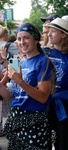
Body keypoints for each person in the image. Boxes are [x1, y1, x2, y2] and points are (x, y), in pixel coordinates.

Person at [0, 23, 56, 149]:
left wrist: (20, 82)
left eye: (26, 38)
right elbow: (10, 97)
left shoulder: (43, 61)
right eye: (19, 38)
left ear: (36, 39)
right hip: (16, 120)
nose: (22, 42)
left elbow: (43, 97)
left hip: (35, 122)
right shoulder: (19, 62)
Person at [45, 18, 68, 150]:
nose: (49, 34)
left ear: (64, 34)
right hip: (45, 104)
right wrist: (4, 62)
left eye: (53, 31)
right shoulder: (44, 52)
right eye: (49, 31)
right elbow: (22, 65)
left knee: (63, 143)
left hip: (64, 107)